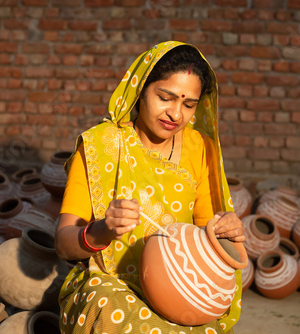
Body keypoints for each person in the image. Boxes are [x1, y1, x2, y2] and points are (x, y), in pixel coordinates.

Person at [55, 41, 245, 334]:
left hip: (181, 288)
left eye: (189, 104)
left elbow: (210, 235)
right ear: (141, 90)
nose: (176, 114)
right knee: (109, 308)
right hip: (111, 285)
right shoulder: (100, 146)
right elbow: (63, 244)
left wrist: (228, 232)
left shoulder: (201, 148)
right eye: (165, 97)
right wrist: (102, 229)